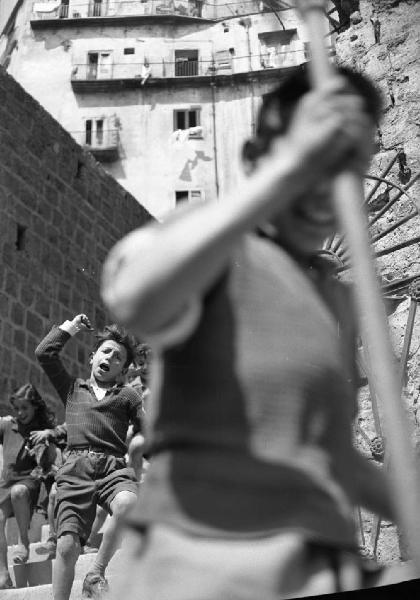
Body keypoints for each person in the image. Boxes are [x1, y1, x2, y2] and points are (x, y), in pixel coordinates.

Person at [100, 64, 420, 598]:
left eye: (348, 164)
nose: (329, 180)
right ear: (256, 160)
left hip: (320, 563)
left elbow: (330, 453)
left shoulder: (331, 295)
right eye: (315, 156)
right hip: (207, 562)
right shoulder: (215, 250)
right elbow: (135, 295)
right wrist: (292, 166)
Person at [35, 315, 143, 600]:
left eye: (118, 357)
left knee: (128, 502)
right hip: (75, 469)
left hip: (112, 467)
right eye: (106, 351)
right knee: (67, 547)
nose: (110, 357)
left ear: (122, 371)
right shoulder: (72, 389)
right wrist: (71, 327)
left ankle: (96, 572)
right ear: (93, 357)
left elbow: (149, 428)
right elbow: (44, 353)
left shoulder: (127, 396)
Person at [0, 383, 58, 588]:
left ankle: (23, 540)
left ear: (35, 407)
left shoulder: (42, 431)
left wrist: (47, 436)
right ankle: (3, 573)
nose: (20, 412)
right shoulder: (8, 425)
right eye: (17, 408)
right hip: (5, 484)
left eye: (25, 407)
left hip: (28, 482)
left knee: (18, 491)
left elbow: (51, 458)